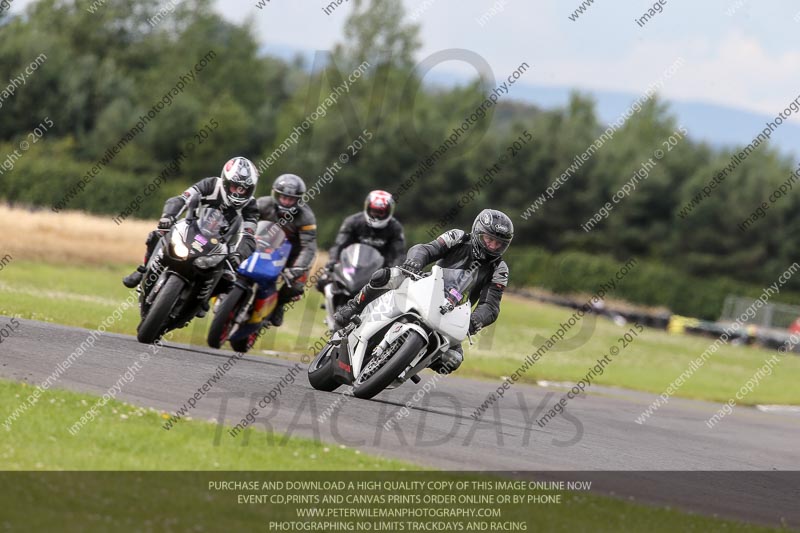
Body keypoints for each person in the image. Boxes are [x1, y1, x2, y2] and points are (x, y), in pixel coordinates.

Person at [334, 209, 513, 374]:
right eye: (489, 240)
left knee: (452, 360)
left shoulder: (500, 269)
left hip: (454, 311)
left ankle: (413, 357)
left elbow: (490, 305)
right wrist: (416, 261)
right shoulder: (458, 237)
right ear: (477, 232)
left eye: (499, 244)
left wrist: (475, 321)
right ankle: (354, 307)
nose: (492, 247)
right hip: (427, 285)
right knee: (387, 276)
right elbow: (426, 249)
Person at [122, 157, 260, 318]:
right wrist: (168, 216)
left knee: (229, 277)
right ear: (226, 181)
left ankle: (204, 298)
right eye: (235, 186)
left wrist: (238, 255)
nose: (238, 192)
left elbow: (250, 237)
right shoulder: (210, 185)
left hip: (221, 244)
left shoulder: (251, 207)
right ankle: (143, 270)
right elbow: (182, 198)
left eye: (243, 189)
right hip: (192, 228)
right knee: (157, 234)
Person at [256, 173, 318, 327]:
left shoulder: (306, 217)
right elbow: (246, 222)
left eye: (291, 199)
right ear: (275, 195)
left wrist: (297, 269)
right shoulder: (263, 204)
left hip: (293, 256)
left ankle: (277, 305)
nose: (286, 201)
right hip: (262, 247)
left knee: (296, 286)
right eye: (283, 197)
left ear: (299, 199)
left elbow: (308, 246)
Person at [317, 190, 405, 292]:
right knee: (322, 281)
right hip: (350, 268)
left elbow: (399, 254)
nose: (376, 216)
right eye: (374, 211)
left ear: (389, 212)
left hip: (378, 272)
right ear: (367, 208)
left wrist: (394, 270)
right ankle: (332, 301)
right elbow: (339, 244)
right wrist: (333, 260)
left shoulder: (395, 228)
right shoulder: (353, 222)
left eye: (380, 212)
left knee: (396, 291)